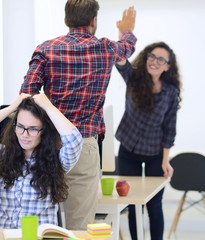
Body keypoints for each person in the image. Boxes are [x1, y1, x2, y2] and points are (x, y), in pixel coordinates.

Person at [20, 0, 137, 230]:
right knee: (80, 228)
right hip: (84, 145)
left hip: (49, 145)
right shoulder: (106, 48)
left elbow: (26, 94)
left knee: (42, 224)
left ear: (66, 21)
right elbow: (128, 47)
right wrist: (127, 30)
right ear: (94, 21)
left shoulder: (46, 49)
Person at [0, 93, 83, 233]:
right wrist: (12, 108)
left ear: (44, 131)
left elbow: (75, 141)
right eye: (20, 126)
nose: (25, 134)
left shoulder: (56, 162)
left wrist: (49, 108)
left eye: (33, 129)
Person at [115, 42, 182, 240]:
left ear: (167, 66)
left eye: (161, 59)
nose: (154, 61)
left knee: (154, 205)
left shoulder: (170, 92)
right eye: (151, 56)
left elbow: (170, 128)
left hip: (155, 154)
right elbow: (120, 62)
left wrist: (165, 160)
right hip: (128, 150)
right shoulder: (134, 78)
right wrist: (123, 37)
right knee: (134, 204)